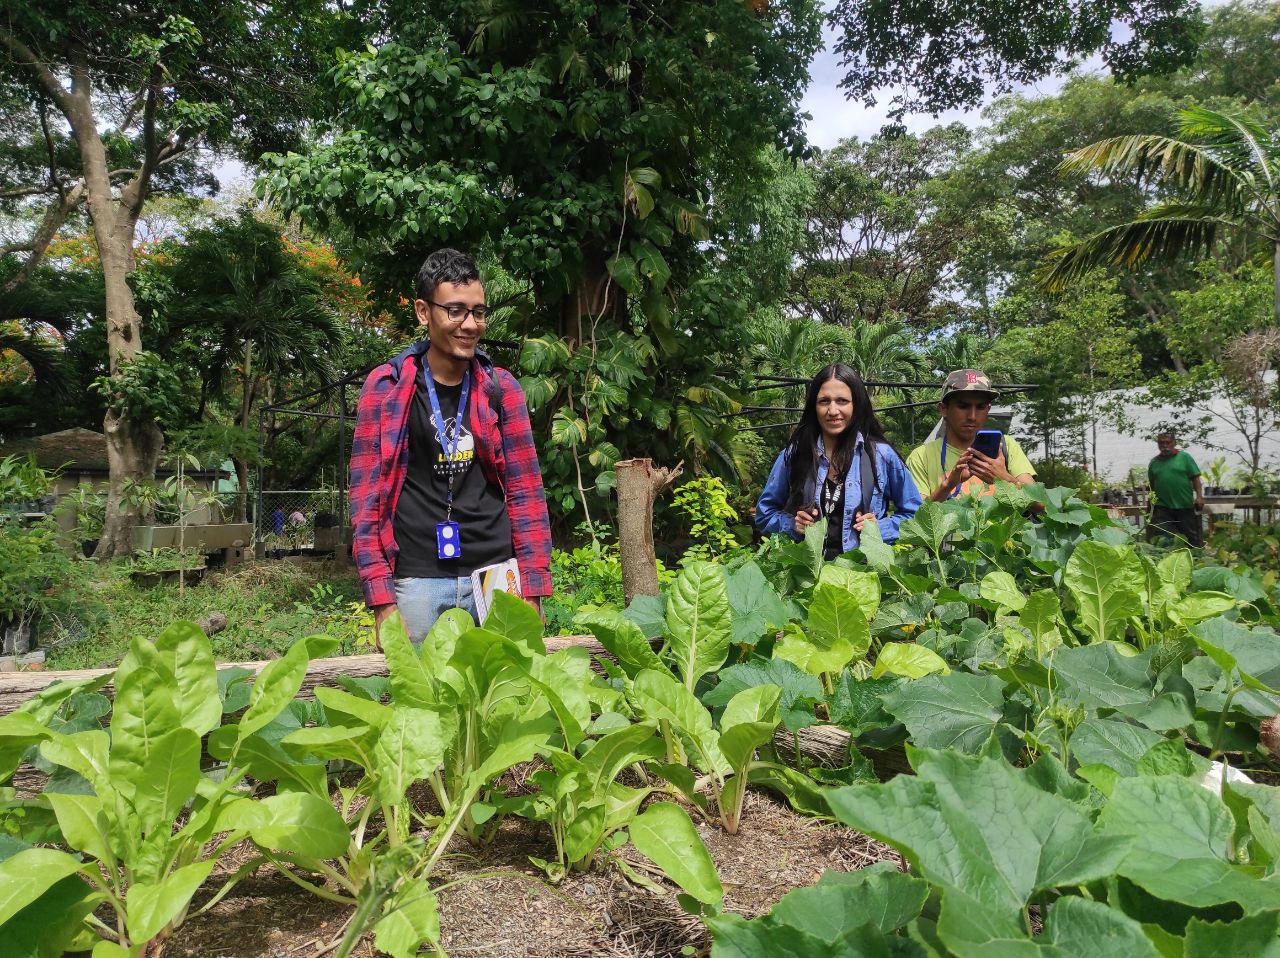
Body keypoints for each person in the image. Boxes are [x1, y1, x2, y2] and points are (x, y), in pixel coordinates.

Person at [350, 248, 552, 643]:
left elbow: (527, 492)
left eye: (478, 312)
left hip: (496, 578)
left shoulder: (500, 388)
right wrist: (382, 601)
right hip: (418, 581)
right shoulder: (387, 388)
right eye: (455, 310)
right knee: (422, 699)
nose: (470, 324)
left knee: (505, 696)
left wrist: (534, 588)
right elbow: (366, 502)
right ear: (424, 312)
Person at [755, 364, 922, 560]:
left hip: (863, 575)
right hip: (809, 575)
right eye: (824, 401)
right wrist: (792, 525)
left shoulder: (882, 456)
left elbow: (915, 515)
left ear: (856, 405)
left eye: (842, 401)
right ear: (814, 407)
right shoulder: (795, 455)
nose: (832, 410)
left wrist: (879, 529)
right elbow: (764, 514)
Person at [906, 369, 1036, 502]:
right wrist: (948, 485)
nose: (972, 416)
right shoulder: (921, 457)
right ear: (943, 409)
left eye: (980, 407)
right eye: (963, 406)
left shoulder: (1006, 447)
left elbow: (1040, 505)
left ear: (988, 409)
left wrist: (1005, 479)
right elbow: (918, 517)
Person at [1147, 432, 1204, 547]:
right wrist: (1150, 506)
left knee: (1190, 537)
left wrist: (1199, 496)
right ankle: (1163, 559)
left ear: (1174, 443)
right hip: (1162, 507)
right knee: (1162, 538)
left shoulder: (1184, 458)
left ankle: (1196, 557)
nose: (1164, 446)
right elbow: (1152, 487)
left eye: (1167, 443)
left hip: (1184, 505)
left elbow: (1196, 478)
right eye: (1161, 443)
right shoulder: (1154, 463)